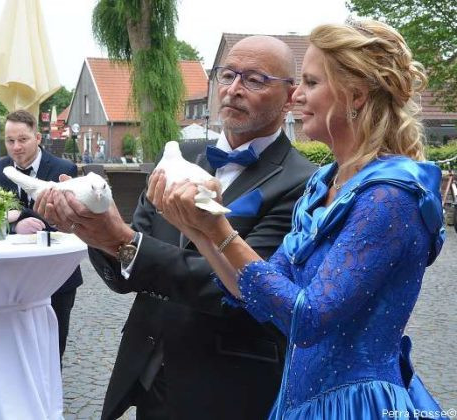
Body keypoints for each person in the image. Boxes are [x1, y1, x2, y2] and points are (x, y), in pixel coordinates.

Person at [150, 20, 446, 419]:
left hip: (356, 405)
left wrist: (219, 229)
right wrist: (196, 228)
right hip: (299, 400)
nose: (297, 97)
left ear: (355, 95)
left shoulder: (389, 196)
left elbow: (307, 319)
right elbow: (255, 293)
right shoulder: (325, 183)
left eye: (309, 83)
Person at [37, 36, 316, 419]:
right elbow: (126, 275)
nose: (233, 89)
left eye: (254, 79)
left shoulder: (304, 182)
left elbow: (250, 292)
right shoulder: (176, 156)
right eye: (228, 74)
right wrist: (89, 226)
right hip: (149, 374)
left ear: (289, 96)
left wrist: (121, 239)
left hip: (230, 386)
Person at [0, 109, 83, 364]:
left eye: (23, 139)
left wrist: (21, 213)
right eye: (10, 140)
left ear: (38, 137)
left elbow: (72, 222)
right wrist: (15, 226)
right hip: (7, 275)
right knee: (11, 346)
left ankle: (51, 400)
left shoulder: (63, 169)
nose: (16, 147)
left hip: (57, 275)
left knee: (53, 345)